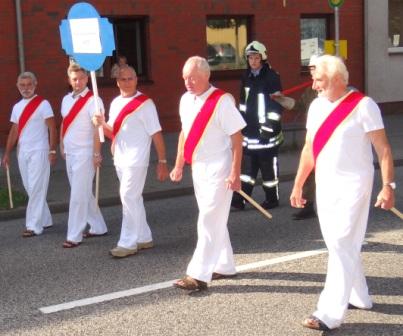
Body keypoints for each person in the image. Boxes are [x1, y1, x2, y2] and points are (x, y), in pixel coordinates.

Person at [290, 55, 395, 331]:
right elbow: (309, 148)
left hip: (355, 184)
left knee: (340, 241)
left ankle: (329, 312)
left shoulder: (364, 105)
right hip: (326, 183)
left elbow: (383, 149)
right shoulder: (315, 107)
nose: (314, 86)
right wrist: (299, 183)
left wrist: (388, 185)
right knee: (339, 243)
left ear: (337, 79)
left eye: (319, 80)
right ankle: (359, 296)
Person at [170, 56, 246, 291]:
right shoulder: (185, 100)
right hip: (199, 166)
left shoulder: (222, 102)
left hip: (219, 166)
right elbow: (185, 133)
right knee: (212, 216)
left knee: (208, 219)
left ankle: (198, 274)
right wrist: (179, 164)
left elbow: (237, 138)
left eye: (192, 77)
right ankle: (224, 264)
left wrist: (235, 172)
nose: (188, 82)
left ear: (206, 76)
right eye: (185, 78)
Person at [93, 65, 169, 258]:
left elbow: (156, 133)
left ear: (136, 79)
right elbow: (114, 133)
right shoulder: (116, 102)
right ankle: (144, 237)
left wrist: (162, 160)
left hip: (137, 159)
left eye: (130, 78)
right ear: (117, 81)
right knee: (134, 197)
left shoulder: (145, 104)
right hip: (120, 157)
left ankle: (127, 242)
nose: (127, 82)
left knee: (127, 196)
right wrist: (101, 123)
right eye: (123, 79)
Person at [2, 72, 57, 237]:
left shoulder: (43, 104)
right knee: (30, 187)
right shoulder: (17, 106)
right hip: (22, 152)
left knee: (36, 188)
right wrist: (7, 153)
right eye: (22, 85)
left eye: (29, 85)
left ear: (35, 84)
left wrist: (52, 149)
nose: (26, 88)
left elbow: (52, 128)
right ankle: (45, 219)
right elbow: (14, 130)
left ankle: (33, 226)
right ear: (17, 86)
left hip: (39, 151)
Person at [60, 63, 108, 248]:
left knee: (78, 196)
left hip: (86, 153)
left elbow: (98, 129)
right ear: (69, 80)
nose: (78, 82)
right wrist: (61, 144)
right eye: (74, 79)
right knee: (84, 193)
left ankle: (74, 235)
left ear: (87, 79)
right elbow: (65, 122)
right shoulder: (66, 99)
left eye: (81, 78)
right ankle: (98, 226)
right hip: (71, 152)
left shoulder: (94, 100)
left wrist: (96, 153)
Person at [231, 40, 283, 211]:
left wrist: (269, 127)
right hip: (250, 130)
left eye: (256, 57)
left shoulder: (272, 76)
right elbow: (242, 103)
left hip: (267, 133)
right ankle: (240, 199)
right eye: (250, 58)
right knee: (246, 169)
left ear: (263, 58)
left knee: (268, 169)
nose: (252, 61)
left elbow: (276, 105)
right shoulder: (246, 76)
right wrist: (240, 124)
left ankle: (271, 199)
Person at [287, 54, 319, 220]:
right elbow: (299, 106)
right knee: (309, 172)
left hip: (330, 140)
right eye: (310, 68)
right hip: (313, 137)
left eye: (314, 68)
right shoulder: (310, 90)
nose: (311, 72)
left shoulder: (338, 89)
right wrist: (282, 100)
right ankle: (308, 205)